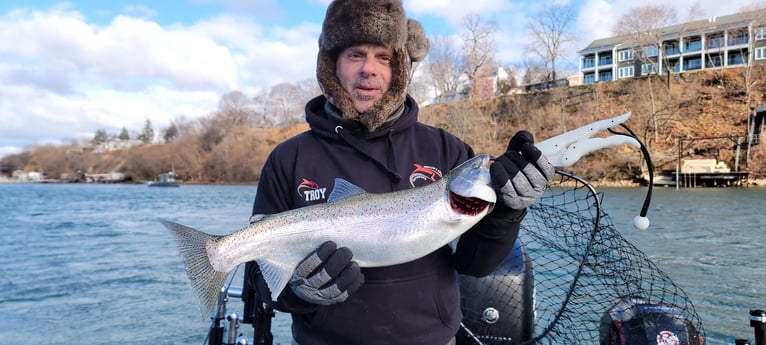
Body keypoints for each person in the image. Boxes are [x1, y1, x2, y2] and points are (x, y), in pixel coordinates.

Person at [242, 0, 555, 344]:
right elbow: (259, 273)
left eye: (384, 57)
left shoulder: (445, 149)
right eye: (355, 54)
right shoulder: (288, 158)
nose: (369, 70)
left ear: (400, 68)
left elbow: (476, 265)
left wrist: (507, 212)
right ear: (332, 64)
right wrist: (300, 292)